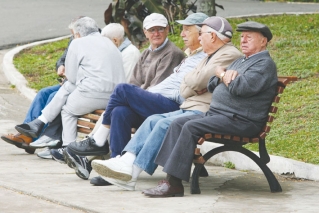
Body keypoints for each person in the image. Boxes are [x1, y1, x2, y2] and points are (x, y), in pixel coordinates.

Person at [90, 16, 243, 190]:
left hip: (202, 110)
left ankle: (123, 166)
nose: (199, 37)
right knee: (148, 119)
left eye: (201, 33)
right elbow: (187, 85)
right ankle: (124, 164)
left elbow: (195, 81)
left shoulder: (228, 54)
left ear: (213, 36)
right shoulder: (207, 56)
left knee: (159, 121)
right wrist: (192, 82)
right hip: (189, 106)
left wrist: (192, 82)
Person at [136, 21, 277, 197]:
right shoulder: (242, 61)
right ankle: (169, 179)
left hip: (241, 120)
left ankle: (174, 185)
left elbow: (240, 88)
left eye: (249, 37)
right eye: (242, 36)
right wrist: (222, 75)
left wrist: (223, 74)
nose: (243, 40)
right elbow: (211, 84)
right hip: (221, 115)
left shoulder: (263, 64)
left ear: (263, 41)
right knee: (177, 123)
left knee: (190, 127)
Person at [64, 13, 207, 181]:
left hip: (171, 106)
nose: (156, 33)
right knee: (120, 112)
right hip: (155, 101)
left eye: (160, 29)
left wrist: (139, 95)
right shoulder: (151, 53)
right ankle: (115, 168)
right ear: (145, 32)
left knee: (122, 89)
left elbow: (170, 89)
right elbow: (137, 82)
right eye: (152, 30)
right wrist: (138, 95)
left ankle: (97, 141)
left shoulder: (175, 54)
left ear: (167, 30)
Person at [14, 17, 126, 162]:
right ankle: (40, 122)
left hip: (93, 94)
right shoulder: (109, 43)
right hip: (115, 96)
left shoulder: (78, 43)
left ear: (77, 34)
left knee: (67, 110)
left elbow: (71, 77)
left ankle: (68, 148)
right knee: (68, 88)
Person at [0, 26, 74, 154]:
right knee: (43, 93)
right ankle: (26, 134)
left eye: (75, 33)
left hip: (79, 87)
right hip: (68, 83)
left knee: (53, 98)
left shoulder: (91, 44)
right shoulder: (74, 39)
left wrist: (71, 78)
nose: (73, 35)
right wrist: (61, 65)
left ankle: (35, 138)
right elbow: (63, 59)